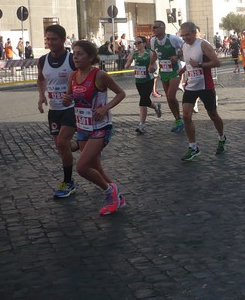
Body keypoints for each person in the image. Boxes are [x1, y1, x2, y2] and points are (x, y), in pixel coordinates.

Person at [61, 40, 126, 216]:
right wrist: (67, 99)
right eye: (74, 53)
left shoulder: (100, 75)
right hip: (82, 127)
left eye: (80, 53)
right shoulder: (72, 76)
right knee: (96, 167)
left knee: (82, 167)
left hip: (100, 127)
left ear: (91, 57)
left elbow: (121, 93)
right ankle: (118, 197)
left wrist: (105, 108)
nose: (75, 57)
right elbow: (70, 97)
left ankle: (109, 191)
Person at [37, 24, 78, 198]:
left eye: (54, 39)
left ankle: (68, 182)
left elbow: (84, 78)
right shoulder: (42, 60)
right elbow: (40, 79)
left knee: (62, 143)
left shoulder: (72, 59)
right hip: (54, 109)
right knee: (62, 147)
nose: (50, 42)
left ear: (63, 39)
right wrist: (41, 96)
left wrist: (74, 94)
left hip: (72, 108)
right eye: (47, 39)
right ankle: (83, 144)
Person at [177, 21, 226, 161]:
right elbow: (189, 63)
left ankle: (222, 137)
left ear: (194, 33)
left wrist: (199, 64)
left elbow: (217, 62)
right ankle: (193, 146)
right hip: (191, 86)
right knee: (186, 116)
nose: (185, 37)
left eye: (187, 35)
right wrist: (183, 69)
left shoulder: (203, 45)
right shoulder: (184, 46)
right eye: (183, 35)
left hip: (206, 86)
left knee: (213, 115)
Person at [150, 20, 185, 132]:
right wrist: (150, 64)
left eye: (155, 27)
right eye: (153, 27)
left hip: (175, 70)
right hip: (163, 71)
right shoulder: (153, 40)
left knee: (170, 96)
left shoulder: (173, 39)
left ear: (163, 28)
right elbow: (155, 54)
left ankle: (179, 118)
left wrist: (177, 57)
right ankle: (178, 119)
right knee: (169, 99)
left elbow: (185, 48)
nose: (153, 29)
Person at [124, 36, 162, 133]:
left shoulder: (149, 53)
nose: (137, 45)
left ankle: (141, 125)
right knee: (145, 100)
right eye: (135, 43)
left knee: (142, 101)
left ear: (144, 43)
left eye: (139, 42)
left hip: (148, 80)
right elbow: (128, 62)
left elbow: (154, 65)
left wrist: (151, 68)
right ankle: (156, 107)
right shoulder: (135, 53)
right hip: (138, 81)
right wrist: (127, 65)